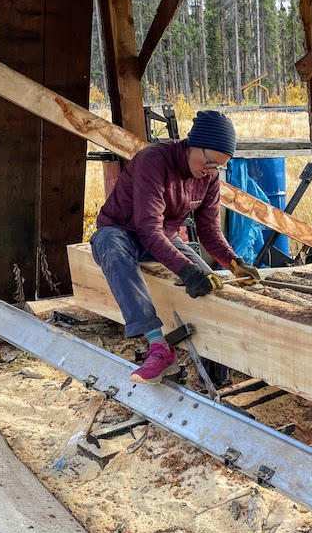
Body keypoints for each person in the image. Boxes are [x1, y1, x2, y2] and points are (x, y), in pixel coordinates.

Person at [90, 110, 261, 384]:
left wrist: (233, 262)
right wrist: (185, 270)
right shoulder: (153, 161)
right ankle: (158, 347)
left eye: (218, 166)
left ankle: (215, 362)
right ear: (193, 144)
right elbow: (147, 228)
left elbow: (208, 230)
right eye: (209, 162)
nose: (210, 170)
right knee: (113, 247)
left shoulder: (209, 178)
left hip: (164, 236)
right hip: (121, 231)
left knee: (209, 280)